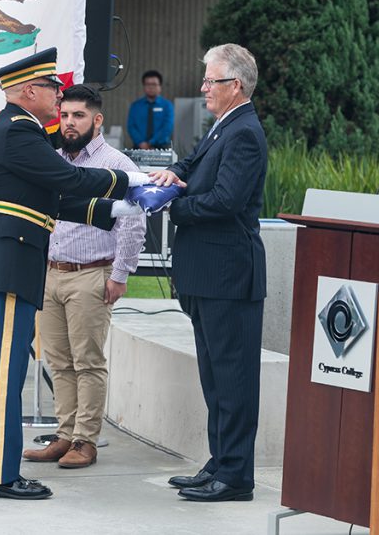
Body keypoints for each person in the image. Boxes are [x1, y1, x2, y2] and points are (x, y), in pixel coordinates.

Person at [0, 48, 149, 500]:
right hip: (8, 266)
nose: (58, 94)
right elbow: (68, 179)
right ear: (29, 91)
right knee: (2, 374)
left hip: (7, 264)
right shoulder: (20, 131)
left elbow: (54, 201)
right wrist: (133, 182)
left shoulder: (18, 132)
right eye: (51, 88)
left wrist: (115, 209)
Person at [150, 43, 268, 503]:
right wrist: (171, 177)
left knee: (233, 380)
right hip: (208, 275)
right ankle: (219, 462)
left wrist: (173, 206)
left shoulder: (245, 132)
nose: (203, 89)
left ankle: (236, 475)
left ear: (234, 85)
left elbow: (225, 200)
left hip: (229, 276)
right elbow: (193, 164)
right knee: (215, 379)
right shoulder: (224, 127)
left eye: (210, 81)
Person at [22, 84, 146, 468]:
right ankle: (64, 435)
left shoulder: (118, 165)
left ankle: (86, 441)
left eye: (78, 116)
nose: (69, 123)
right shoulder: (52, 160)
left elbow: (134, 222)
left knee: (88, 361)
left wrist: (121, 274)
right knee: (57, 361)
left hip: (92, 275)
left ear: (97, 120)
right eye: (64, 115)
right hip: (52, 274)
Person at [127, 70, 174, 149]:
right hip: (139, 147)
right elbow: (131, 127)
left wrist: (151, 142)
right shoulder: (135, 106)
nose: (151, 87)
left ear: (160, 86)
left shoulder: (167, 105)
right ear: (144, 86)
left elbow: (167, 127)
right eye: (148, 84)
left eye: (154, 84)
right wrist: (141, 142)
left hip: (161, 148)